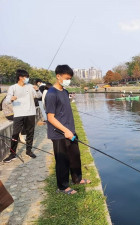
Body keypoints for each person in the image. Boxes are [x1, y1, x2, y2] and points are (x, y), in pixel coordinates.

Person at [45, 65, 90, 195]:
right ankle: (62, 186)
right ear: (58, 76)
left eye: (70, 78)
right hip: (59, 134)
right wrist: (65, 130)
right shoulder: (51, 94)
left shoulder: (64, 92)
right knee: (62, 161)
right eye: (66, 78)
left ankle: (77, 179)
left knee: (75, 156)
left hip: (70, 131)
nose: (68, 81)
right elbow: (50, 118)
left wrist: (70, 130)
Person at [3, 69, 42, 162]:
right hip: (19, 113)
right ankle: (12, 154)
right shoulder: (13, 87)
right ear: (20, 77)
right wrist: (11, 99)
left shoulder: (30, 86)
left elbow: (39, 96)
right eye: (25, 77)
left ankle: (29, 151)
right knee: (15, 134)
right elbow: (7, 99)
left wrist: (37, 90)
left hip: (30, 113)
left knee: (30, 133)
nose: (27, 79)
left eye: (27, 77)